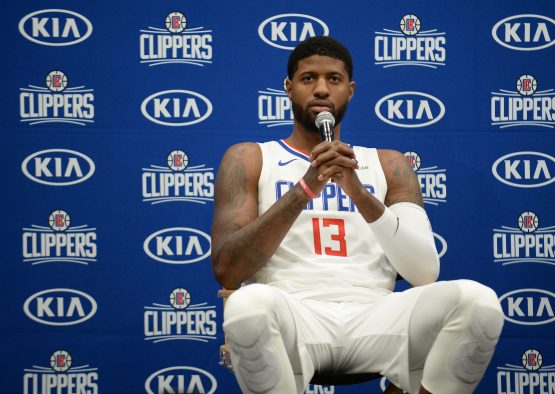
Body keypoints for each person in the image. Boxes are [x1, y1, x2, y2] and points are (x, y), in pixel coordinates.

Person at [211, 36, 504, 394]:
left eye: (333, 79)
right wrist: (305, 188)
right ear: (288, 89)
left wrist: (357, 191)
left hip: (376, 313)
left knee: (479, 303)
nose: (321, 89)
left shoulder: (388, 163)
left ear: (350, 91)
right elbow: (228, 269)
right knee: (246, 306)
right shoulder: (251, 157)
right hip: (294, 314)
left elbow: (424, 271)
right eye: (308, 79)